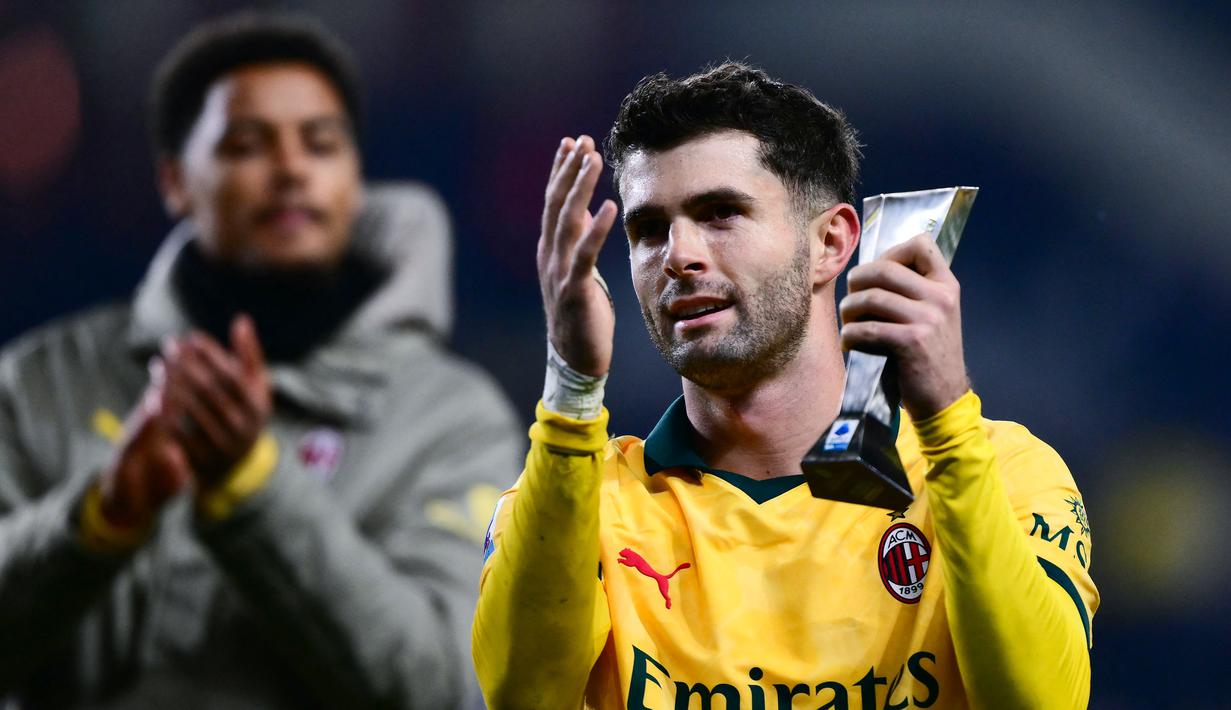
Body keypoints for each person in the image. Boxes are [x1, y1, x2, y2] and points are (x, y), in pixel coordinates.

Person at [473, 63, 1098, 708]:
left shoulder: (1004, 472)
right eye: (649, 230)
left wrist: (945, 427)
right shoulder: (583, 498)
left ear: (830, 243)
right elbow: (524, 694)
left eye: (720, 214)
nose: (678, 256)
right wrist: (573, 390)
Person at [0, 12, 521, 709]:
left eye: (321, 143)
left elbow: (442, 688)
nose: (290, 169)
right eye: (247, 143)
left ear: (353, 176)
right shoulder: (42, 379)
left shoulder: (450, 416)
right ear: (175, 181)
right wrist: (100, 518)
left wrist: (254, 490)